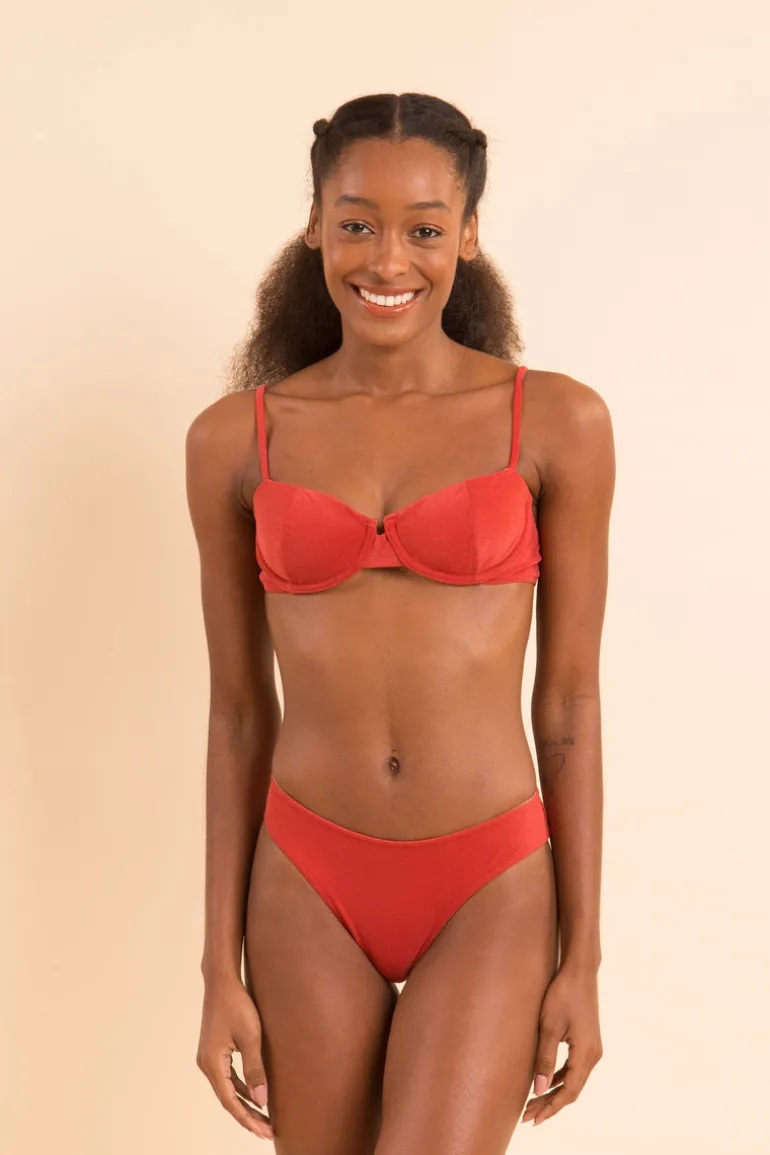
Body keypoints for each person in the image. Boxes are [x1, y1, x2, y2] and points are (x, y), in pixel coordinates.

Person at [185, 91, 615, 1154]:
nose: (388, 259)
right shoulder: (233, 441)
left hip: (490, 878)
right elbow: (237, 714)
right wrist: (215, 968)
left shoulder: (556, 421)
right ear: (315, 226)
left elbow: (567, 701)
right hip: (304, 876)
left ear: (466, 234)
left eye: (424, 227)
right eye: (357, 222)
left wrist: (583, 957)